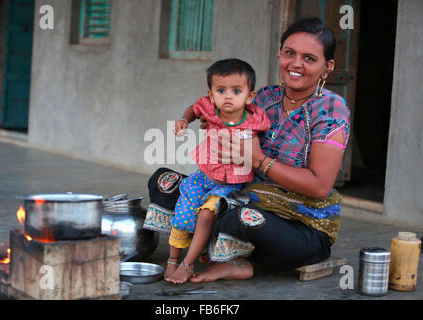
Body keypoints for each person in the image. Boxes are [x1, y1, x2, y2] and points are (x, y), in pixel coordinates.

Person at [143, 17, 350, 283]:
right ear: (279, 55)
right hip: (238, 196)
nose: (296, 64)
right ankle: (219, 250)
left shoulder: (331, 108)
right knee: (165, 182)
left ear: (327, 66)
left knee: (242, 219)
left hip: (296, 222)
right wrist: (214, 124)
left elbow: (320, 186)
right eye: (289, 53)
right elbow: (220, 114)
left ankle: (235, 259)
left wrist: (258, 160)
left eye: (309, 58)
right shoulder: (263, 97)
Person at [162, 59, 270, 284]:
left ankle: (188, 263)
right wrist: (184, 120)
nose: (228, 96)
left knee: (205, 215)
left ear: (250, 96)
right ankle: (172, 259)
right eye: (221, 90)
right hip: (203, 178)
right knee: (182, 215)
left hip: (229, 185)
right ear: (211, 95)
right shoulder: (210, 110)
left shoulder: (255, 120)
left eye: (236, 91)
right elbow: (193, 108)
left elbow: (258, 149)